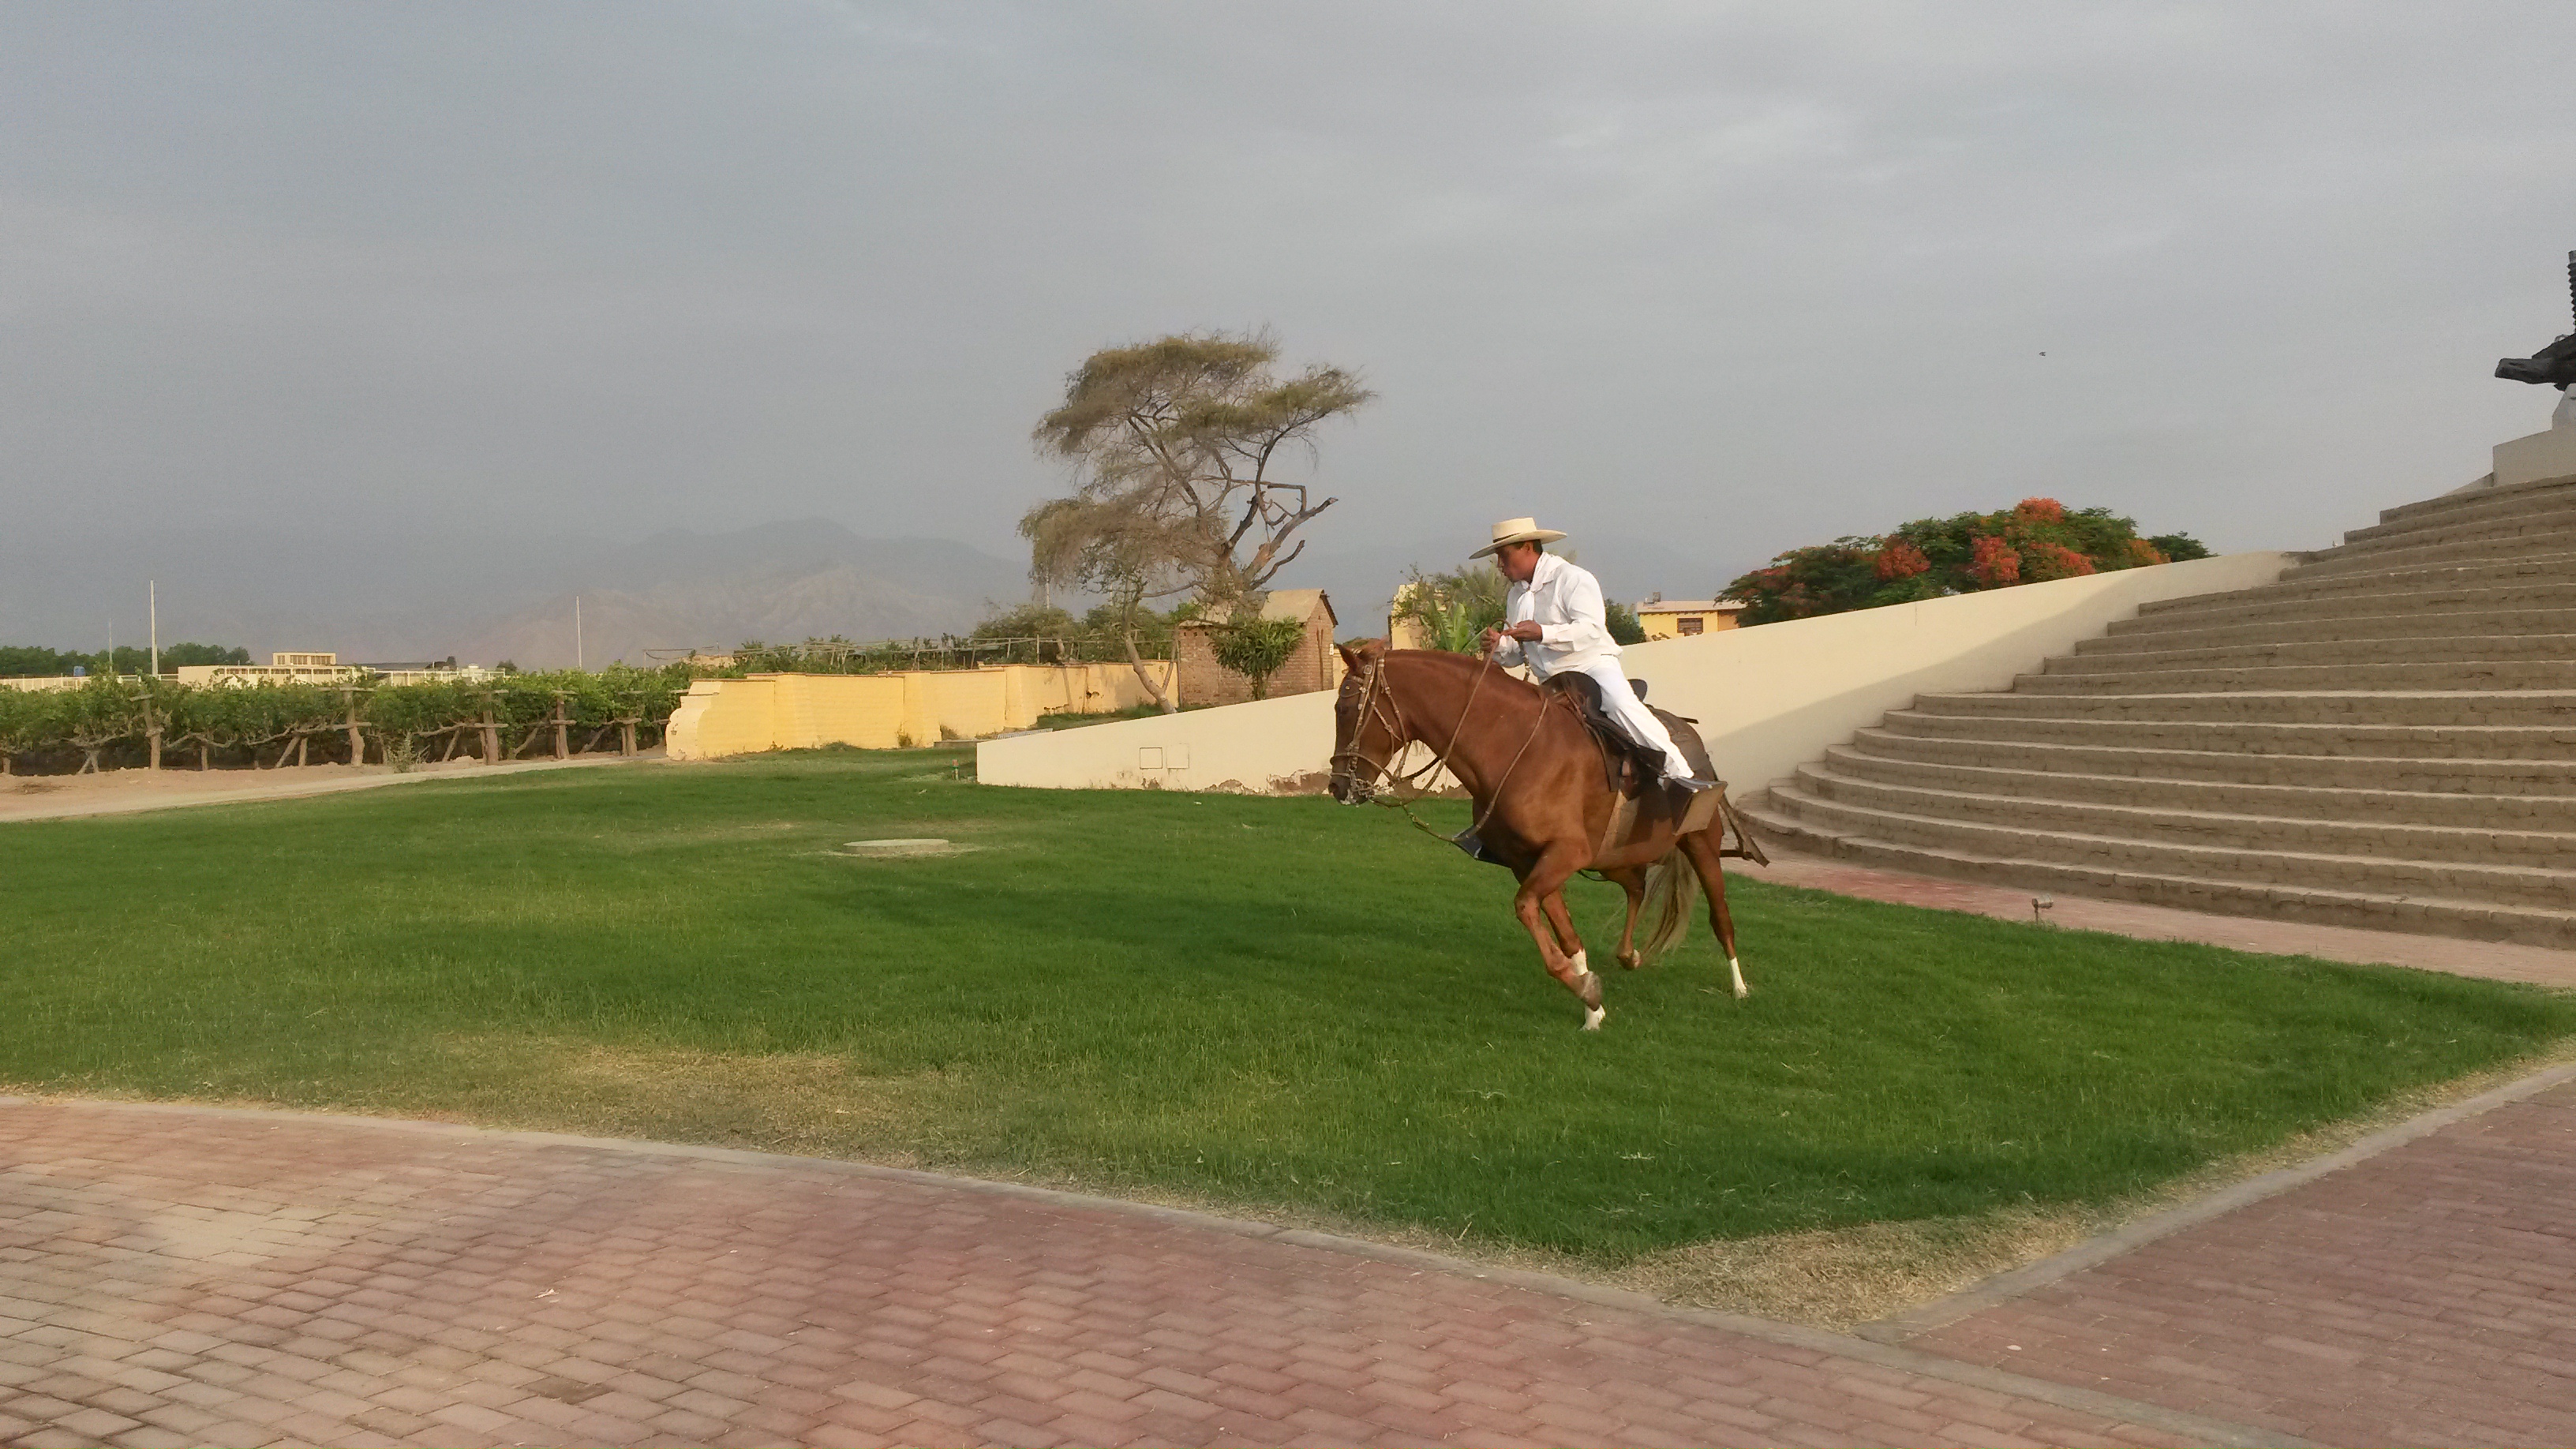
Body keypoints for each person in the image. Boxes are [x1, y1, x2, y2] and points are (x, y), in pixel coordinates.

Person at [1473, 517, 1714, 792]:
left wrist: (1543, 633)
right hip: (1552, 684)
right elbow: (1519, 654)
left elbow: (1590, 629)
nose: (1500, 566)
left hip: (1592, 668)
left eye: (1504, 556)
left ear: (1528, 547)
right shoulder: (1516, 596)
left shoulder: (1573, 579)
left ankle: (1680, 776)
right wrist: (1500, 647)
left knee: (1620, 704)